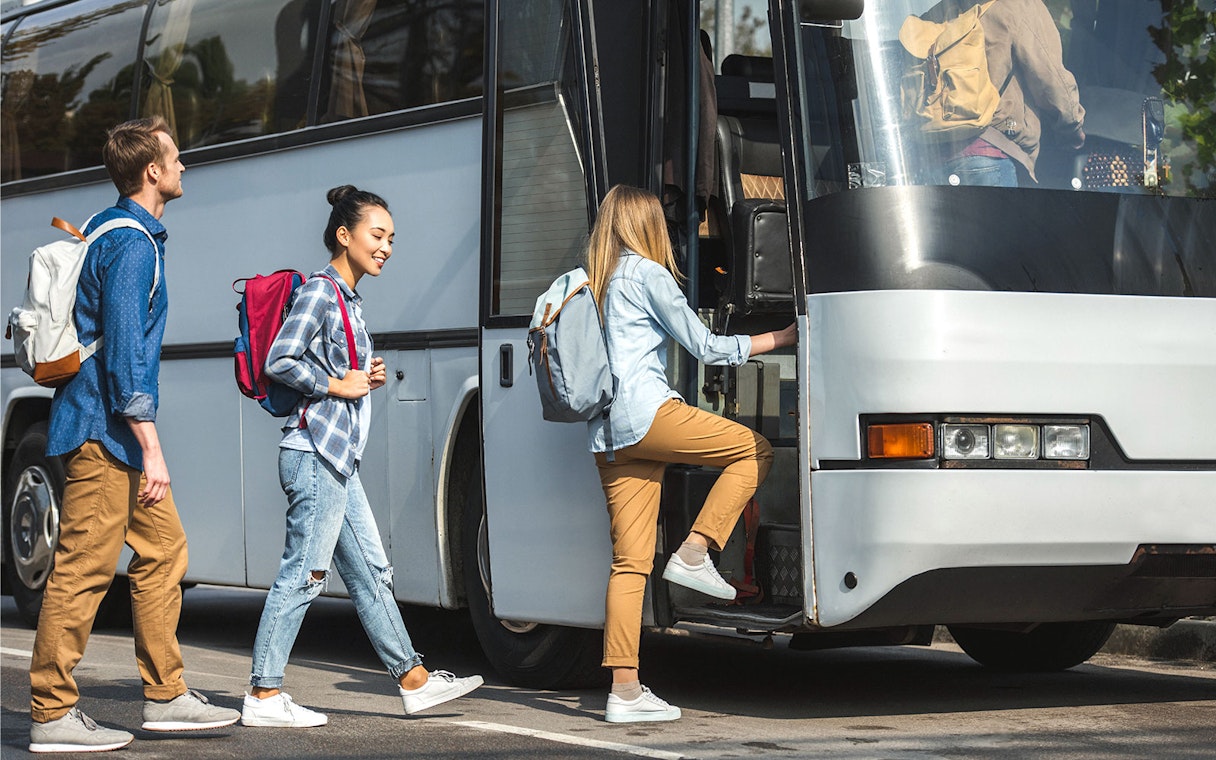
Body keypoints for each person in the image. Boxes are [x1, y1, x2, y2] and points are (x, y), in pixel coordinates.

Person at [30, 116, 241, 753]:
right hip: (103, 432)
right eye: (175, 159)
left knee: (164, 550)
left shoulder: (113, 230)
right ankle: (50, 712)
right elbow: (124, 356)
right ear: (152, 171)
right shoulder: (130, 246)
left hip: (109, 431)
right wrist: (153, 448)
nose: (183, 168)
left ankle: (168, 694)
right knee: (83, 570)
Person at [241, 185, 482, 728]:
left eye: (392, 238)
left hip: (337, 460)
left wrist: (360, 379)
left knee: (371, 574)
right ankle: (262, 695)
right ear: (344, 235)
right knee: (303, 573)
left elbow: (335, 372)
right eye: (378, 235)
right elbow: (281, 359)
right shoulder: (321, 292)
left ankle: (414, 681)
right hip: (314, 455)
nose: (387, 247)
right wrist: (336, 385)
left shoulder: (349, 298)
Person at [585, 185, 796, 723]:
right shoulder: (645, 274)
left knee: (629, 564)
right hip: (648, 415)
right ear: (648, 225)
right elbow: (706, 346)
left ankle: (625, 692)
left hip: (608, 432)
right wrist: (783, 337)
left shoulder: (594, 279)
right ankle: (696, 551)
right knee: (755, 450)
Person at [923, 0, 1086, 187]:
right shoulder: (1019, 5)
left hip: (931, 162)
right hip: (990, 153)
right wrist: (1072, 128)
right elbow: (1051, 80)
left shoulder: (936, 13)